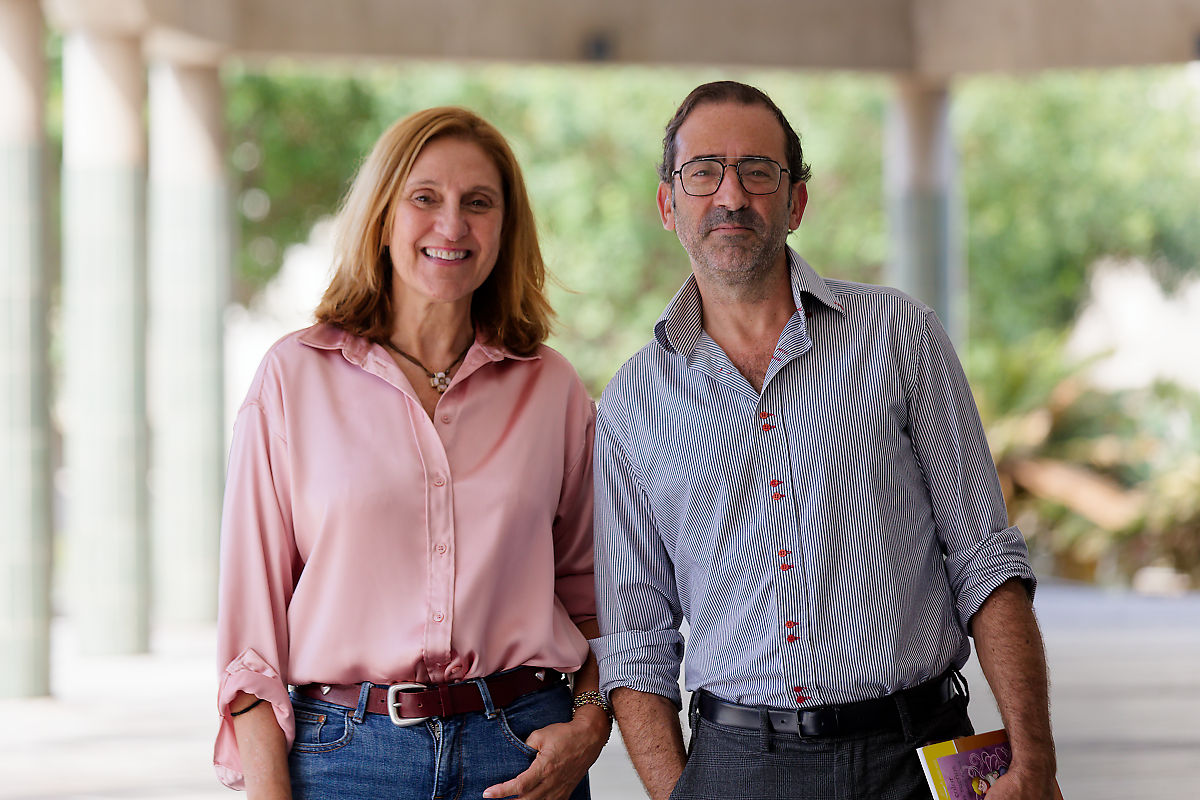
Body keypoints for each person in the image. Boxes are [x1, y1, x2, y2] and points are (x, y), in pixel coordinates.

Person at [591, 81, 1057, 800]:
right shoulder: (632, 403)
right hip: (737, 767)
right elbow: (636, 640)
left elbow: (984, 558)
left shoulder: (900, 335)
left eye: (758, 172)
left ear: (796, 201)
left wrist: (1035, 761)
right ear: (668, 205)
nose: (731, 196)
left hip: (918, 755)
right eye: (703, 172)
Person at [215, 106, 611, 799]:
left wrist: (590, 723)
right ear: (381, 216)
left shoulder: (551, 388)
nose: (452, 225)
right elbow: (252, 638)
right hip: (344, 760)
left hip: (522, 754)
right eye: (424, 198)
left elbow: (596, 599)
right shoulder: (293, 379)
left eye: (478, 203)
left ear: (505, 230)